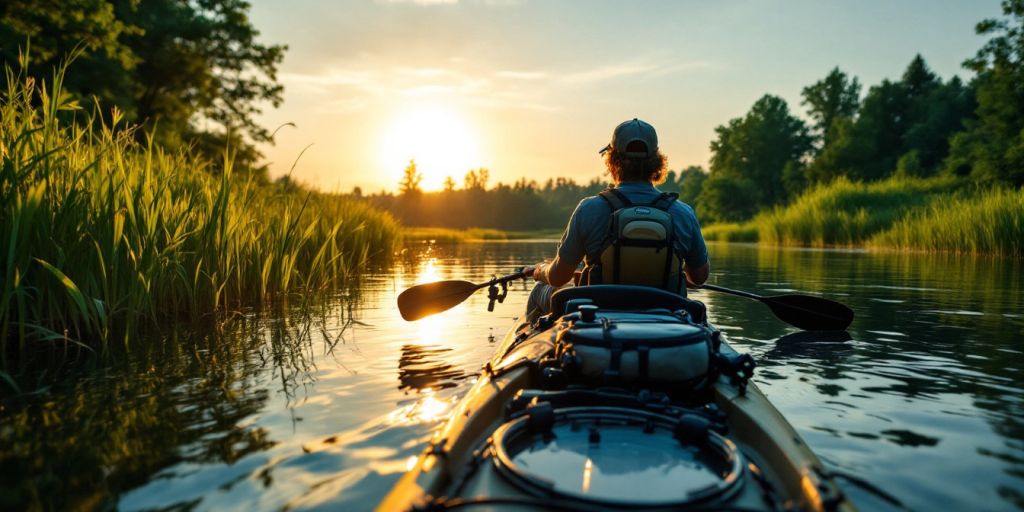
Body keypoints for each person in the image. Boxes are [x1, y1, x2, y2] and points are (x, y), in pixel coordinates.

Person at [524, 118, 709, 318]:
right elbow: (699, 278)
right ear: (656, 161)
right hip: (667, 316)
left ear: (612, 160)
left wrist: (539, 270)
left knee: (540, 290)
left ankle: (533, 341)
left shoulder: (589, 209)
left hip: (596, 315)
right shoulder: (683, 213)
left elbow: (558, 277)